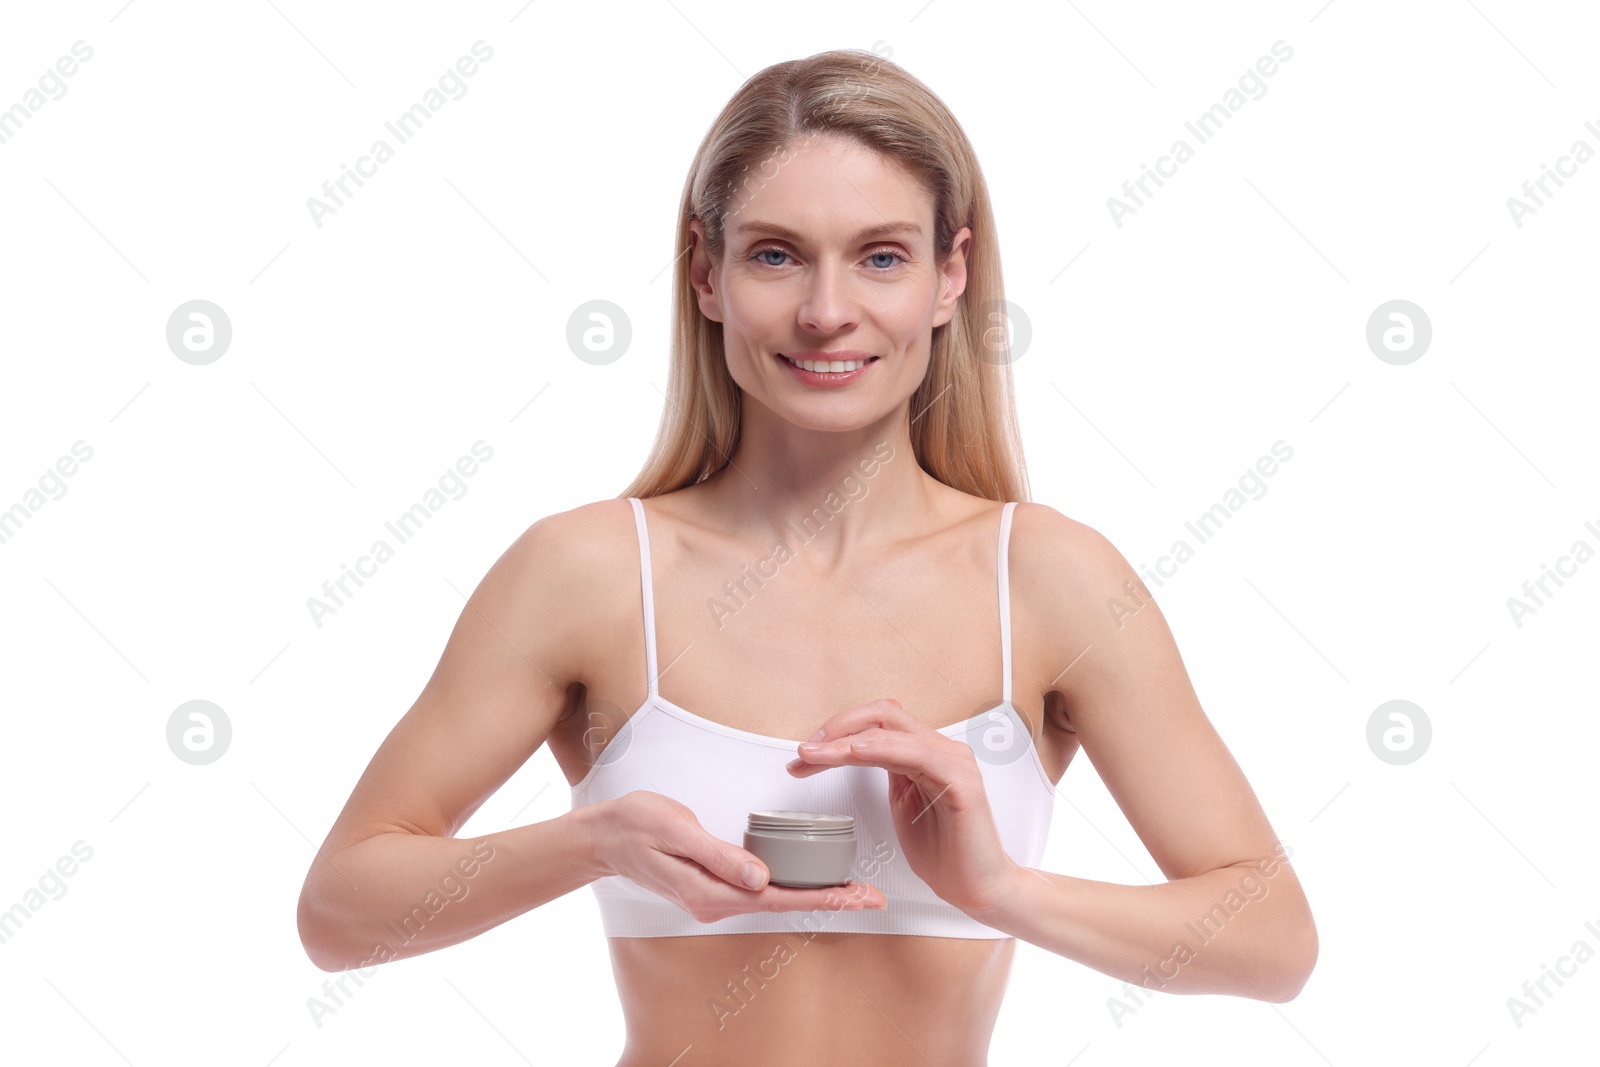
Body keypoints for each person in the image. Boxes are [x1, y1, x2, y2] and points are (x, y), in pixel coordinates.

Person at [296, 47, 1317, 1065]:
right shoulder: (589, 572)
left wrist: (1000, 886)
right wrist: (592, 841)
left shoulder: (1048, 579)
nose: (828, 311)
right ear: (706, 274)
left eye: (880, 256)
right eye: (776, 254)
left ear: (949, 275)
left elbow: (1272, 940)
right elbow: (340, 911)